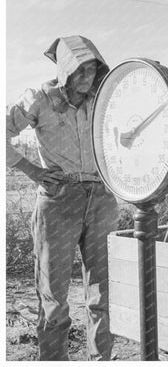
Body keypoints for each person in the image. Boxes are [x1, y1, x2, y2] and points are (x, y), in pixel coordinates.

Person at [6, 35, 119, 361]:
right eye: (81, 70)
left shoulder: (101, 101)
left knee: (102, 292)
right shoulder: (39, 99)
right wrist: (31, 169)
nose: (87, 78)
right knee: (54, 297)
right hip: (59, 201)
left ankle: (101, 359)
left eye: (93, 70)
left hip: (100, 198)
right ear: (66, 70)